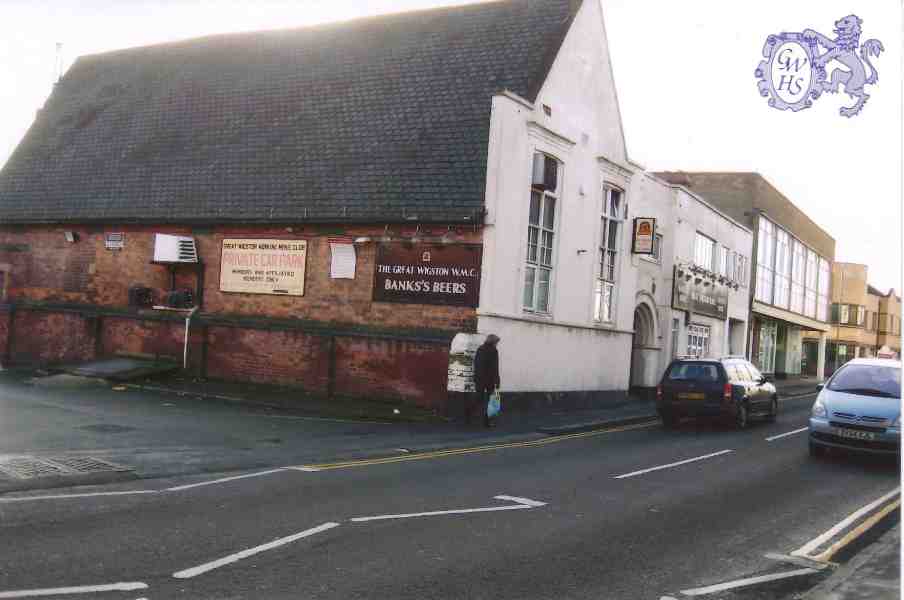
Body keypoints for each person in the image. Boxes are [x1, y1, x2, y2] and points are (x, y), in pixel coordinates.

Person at [470, 334, 501, 427]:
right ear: (493, 342)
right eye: (496, 342)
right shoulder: (494, 351)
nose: (497, 344)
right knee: (491, 401)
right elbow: (495, 367)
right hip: (490, 379)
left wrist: (476, 377)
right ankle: (487, 421)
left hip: (480, 379)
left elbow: (477, 365)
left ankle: (470, 417)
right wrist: (497, 380)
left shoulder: (480, 349)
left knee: (478, 398)